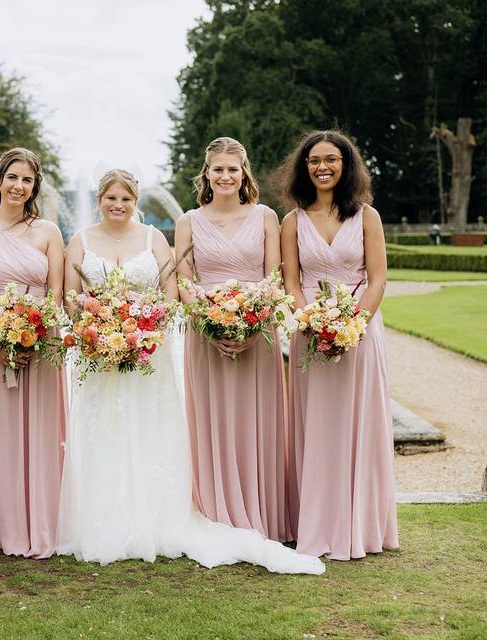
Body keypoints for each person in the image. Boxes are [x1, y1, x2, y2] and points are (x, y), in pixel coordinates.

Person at [57, 169, 323, 574]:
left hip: (148, 351)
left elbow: (169, 293)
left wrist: (141, 331)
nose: (118, 204)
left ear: (135, 200)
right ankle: (103, 520)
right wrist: (99, 329)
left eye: (125, 198)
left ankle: (154, 517)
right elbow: (69, 297)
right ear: (98, 199)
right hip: (98, 355)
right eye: (110, 197)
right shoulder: (78, 241)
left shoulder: (153, 239)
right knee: (104, 430)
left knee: (147, 429)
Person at [279, 130, 398, 560]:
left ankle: (360, 525)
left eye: (331, 159)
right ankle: (315, 523)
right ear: (304, 167)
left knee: (358, 422)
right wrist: (311, 322)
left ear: (346, 165)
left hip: (360, 332)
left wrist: (353, 324)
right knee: (317, 425)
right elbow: (291, 282)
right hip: (310, 333)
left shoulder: (367, 217)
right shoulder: (291, 222)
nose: (322, 167)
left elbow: (378, 278)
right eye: (314, 160)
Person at [176, 137, 291, 541]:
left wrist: (253, 321)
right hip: (205, 335)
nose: (225, 176)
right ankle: (215, 510)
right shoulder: (188, 220)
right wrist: (209, 321)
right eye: (218, 169)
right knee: (212, 418)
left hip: (258, 332)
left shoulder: (265, 217)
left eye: (233, 169)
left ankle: (262, 512)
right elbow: (183, 281)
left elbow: (274, 277)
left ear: (244, 174)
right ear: (206, 174)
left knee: (254, 418)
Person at [0, 148, 67, 558]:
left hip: (39, 343)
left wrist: (35, 333)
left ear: (34, 187)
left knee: (36, 430)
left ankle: (37, 521)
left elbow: (55, 291)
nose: (19, 186)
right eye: (13, 178)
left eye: (27, 180)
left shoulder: (49, 232)